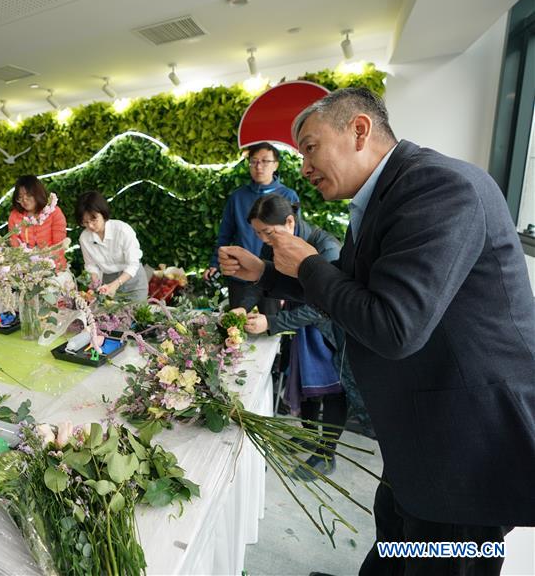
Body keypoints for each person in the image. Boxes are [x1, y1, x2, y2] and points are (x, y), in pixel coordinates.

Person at [219, 87, 535, 575]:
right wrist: (264, 274)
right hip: (420, 431)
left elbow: (394, 326)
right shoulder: (386, 195)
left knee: (443, 559)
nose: (302, 166)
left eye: (309, 146)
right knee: (396, 536)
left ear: (359, 130)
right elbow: (347, 288)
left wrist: (306, 266)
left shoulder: (439, 187)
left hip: (466, 445)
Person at [239, 193, 349, 479]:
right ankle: (311, 438)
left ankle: (327, 454)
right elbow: (261, 278)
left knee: (332, 392)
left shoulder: (327, 248)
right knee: (308, 388)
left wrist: (273, 322)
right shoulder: (273, 242)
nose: (263, 239)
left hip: (328, 331)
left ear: (290, 221)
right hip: (301, 328)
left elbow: (323, 307)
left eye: (268, 232)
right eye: (258, 233)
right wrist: (242, 308)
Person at [204, 142, 299, 314]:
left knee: (271, 323)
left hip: (273, 273)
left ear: (275, 164)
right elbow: (225, 233)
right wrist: (215, 263)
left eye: (265, 161)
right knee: (235, 324)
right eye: (254, 161)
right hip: (240, 273)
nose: (259, 166)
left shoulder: (288, 196)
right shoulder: (238, 197)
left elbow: (295, 237)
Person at [75, 191, 148, 302]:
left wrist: (116, 284)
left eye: (94, 219)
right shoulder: (84, 238)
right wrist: (95, 285)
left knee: (138, 315)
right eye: (85, 222)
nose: (90, 226)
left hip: (133, 280)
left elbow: (133, 264)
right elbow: (91, 265)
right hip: (107, 281)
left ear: (103, 214)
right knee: (111, 316)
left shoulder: (122, 230)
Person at [8, 175, 69, 270]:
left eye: (28, 195)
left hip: (54, 267)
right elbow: (14, 245)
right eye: (20, 197)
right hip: (25, 269)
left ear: (37, 193)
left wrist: (43, 261)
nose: (24, 200)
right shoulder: (14, 216)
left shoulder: (54, 212)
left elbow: (59, 246)